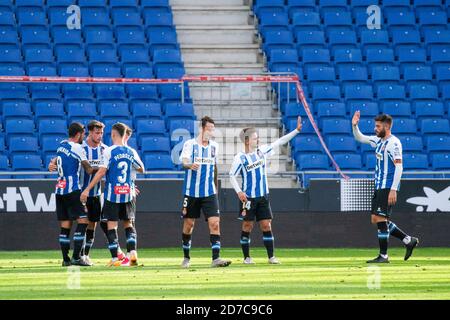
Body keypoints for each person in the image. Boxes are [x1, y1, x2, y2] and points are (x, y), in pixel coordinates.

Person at [229, 116, 302, 264]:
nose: (258, 140)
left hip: (263, 196)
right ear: (247, 141)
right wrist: (239, 192)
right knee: (247, 225)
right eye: (255, 138)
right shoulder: (240, 158)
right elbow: (232, 175)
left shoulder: (262, 152)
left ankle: (271, 257)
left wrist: (296, 131)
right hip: (248, 198)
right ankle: (247, 258)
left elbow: (279, 142)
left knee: (266, 224)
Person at [352, 111, 419, 263]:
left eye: (378, 126)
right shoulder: (378, 141)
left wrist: (394, 189)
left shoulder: (393, 143)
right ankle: (408, 240)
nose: (375, 129)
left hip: (388, 186)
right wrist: (354, 125)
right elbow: (360, 138)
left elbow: (399, 167)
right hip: (379, 185)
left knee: (380, 218)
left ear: (387, 127)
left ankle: (384, 255)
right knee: (377, 218)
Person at [80, 123, 144, 267]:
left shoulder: (109, 151)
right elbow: (141, 169)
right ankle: (132, 253)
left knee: (111, 225)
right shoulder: (131, 151)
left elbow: (102, 172)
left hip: (113, 194)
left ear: (113, 134)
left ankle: (116, 258)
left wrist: (87, 189)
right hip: (128, 193)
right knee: (129, 223)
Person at [179, 116, 231, 268]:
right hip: (191, 192)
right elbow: (184, 161)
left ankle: (216, 258)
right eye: (209, 129)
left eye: (212, 129)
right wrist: (190, 165)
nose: (211, 132)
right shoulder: (190, 144)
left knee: (215, 223)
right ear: (201, 129)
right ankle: (186, 257)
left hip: (209, 192)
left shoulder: (214, 146)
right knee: (189, 224)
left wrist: (215, 188)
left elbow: (214, 167)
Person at [50, 122, 96, 267]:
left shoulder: (61, 145)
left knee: (65, 225)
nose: (84, 136)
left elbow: (55, 161)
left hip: (59, 190)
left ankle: (65, 259)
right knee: (83, 221)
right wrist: (103, 167)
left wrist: (52, 165)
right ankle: (76, 257)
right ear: (78, 134)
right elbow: (88, 169)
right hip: (72, 190)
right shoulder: (78, 148)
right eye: (83, 134)